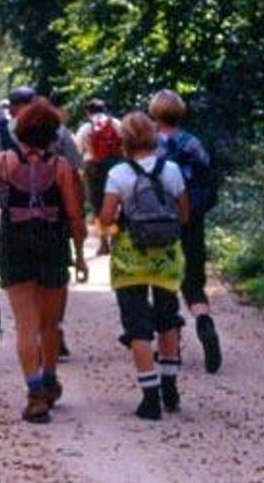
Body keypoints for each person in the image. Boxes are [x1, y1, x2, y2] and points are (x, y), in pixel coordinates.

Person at [0, 100, 88, 423]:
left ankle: (35, 394)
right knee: (50, 324)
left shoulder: (3, 162)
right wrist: (80, 255)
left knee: (25, 324)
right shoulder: (62, 166)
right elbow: (75, 216)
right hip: (52, 244)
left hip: (14, 242)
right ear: (52, 133)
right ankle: (49, 379)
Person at [0, 86, 84, 359]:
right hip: (55, 218)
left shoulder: (0, 135)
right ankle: (54, 328)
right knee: (54, 280)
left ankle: (35, 366)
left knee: (24, 289)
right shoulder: (58, 132)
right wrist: (79, 226)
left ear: (12, 107)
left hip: (13, 221)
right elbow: (76, 171)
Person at [99, 112, 188, 420]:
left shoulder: (118, 174)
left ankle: (150, 399)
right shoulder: (173, 170)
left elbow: (107, 218)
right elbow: (185, 214)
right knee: (167, 320)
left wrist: (110, 232)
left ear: (124, 139)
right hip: (166, 258)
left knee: (137, 328)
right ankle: (170, 385)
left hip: (130, 259)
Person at [150, 89, 222, 373]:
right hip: (191, 220)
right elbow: (209, 180)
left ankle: (170, 345)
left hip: (157, 223)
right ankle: (204, 320)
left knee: (163, 284)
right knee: (192, 281)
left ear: (154, 113)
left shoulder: (149, 144)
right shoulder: (193, 143)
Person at [75, 99, 123, 255]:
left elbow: (77, 151)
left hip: (93, 167)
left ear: (88, 112)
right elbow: (125, 144)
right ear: (105, 110)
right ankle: (115, 239)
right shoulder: (116, 123)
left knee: (98, 205)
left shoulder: (86, 128)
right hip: (115, 166)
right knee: (115, 203)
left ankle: (103, 244)